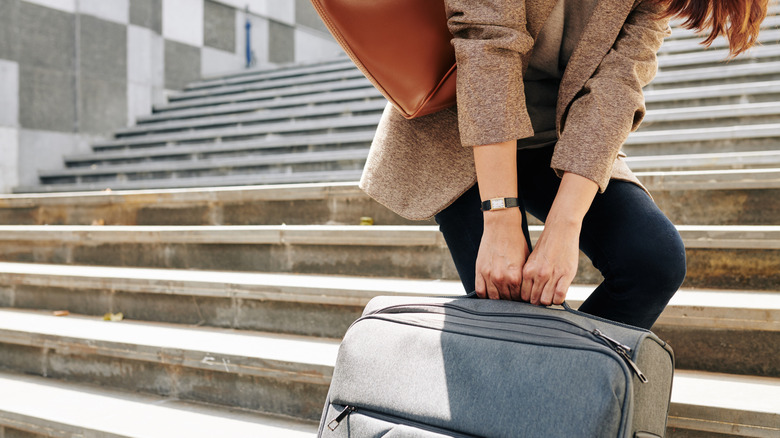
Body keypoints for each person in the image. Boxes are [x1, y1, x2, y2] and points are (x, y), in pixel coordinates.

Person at [359, 0, 768, 329]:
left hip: (560, 133)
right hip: (466, 126)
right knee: (509, 307)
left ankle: (568, 393)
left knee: (652, 260)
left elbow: (618, 83)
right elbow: (487, 42)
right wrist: (499, 219)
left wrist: (564, 225)